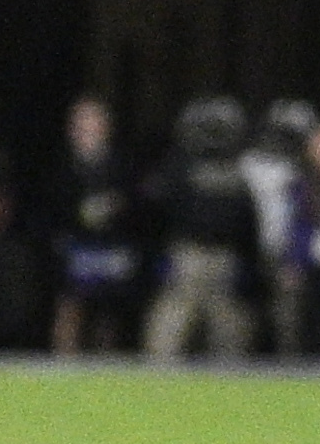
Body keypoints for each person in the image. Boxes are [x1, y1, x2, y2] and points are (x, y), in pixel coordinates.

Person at [144, 99, 266, 360]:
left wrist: (250, 267)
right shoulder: (180, 168)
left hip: (224, 261)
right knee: (168, 334)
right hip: (188, 257)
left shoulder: (236, 174)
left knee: (230, 336)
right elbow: (160, 213)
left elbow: (248, 225)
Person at [49, 99, 145, 354]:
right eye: (80, 123)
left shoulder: (123, 165)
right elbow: (53, 207)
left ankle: (106, 367)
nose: (85, 129)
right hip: (75, 248)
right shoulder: (61, 166)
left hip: (112, 249)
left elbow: (136, 203)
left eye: (92, 122)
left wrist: (115, 207)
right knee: (71, 308)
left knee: (109, 316)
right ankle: (64, 365)